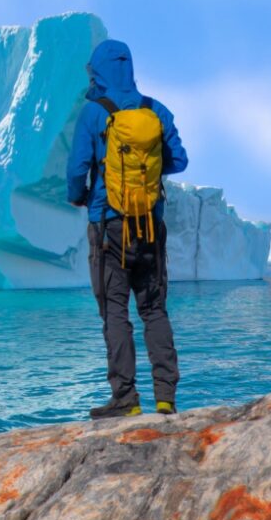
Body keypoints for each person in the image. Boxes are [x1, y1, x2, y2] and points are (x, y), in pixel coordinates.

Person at [66, 39, 188, 418]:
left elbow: (76, 169)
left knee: (115, 311)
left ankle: (125, 399)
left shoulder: (93, 114)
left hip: (108, 226)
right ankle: (165, 397)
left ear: (97, 71)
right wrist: (147, 172)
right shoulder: (156, 110)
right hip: (150, 225)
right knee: (153, 309)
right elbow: (179, 161)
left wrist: (81, 195)